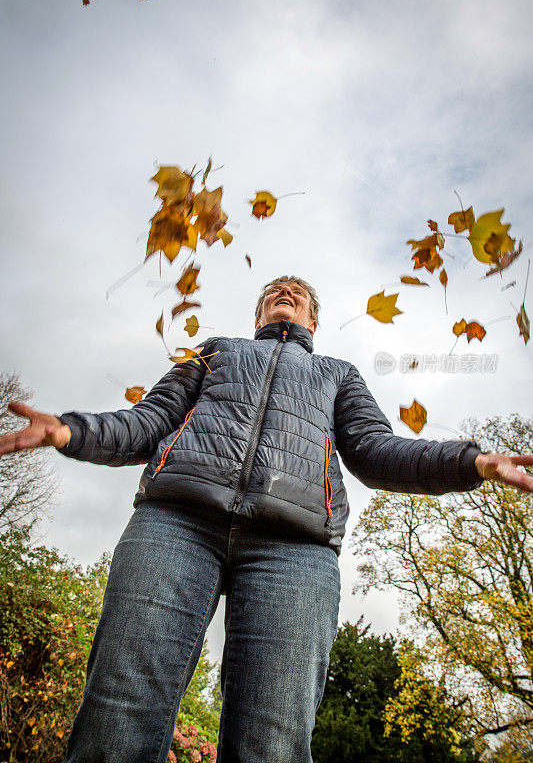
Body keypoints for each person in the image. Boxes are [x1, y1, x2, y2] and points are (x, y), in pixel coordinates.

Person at [1, 275, 532, 763]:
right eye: (276, 289)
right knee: (119, 713)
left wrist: (471, 463)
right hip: (177, 521)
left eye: (297, 291)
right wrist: (70, 432)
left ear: (313, 321)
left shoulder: (336, 374)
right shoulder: (215, 352)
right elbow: (149, 422)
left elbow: (374, 451)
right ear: (258, 313)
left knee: (272, 741)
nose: (286, 291)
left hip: (295, 548)